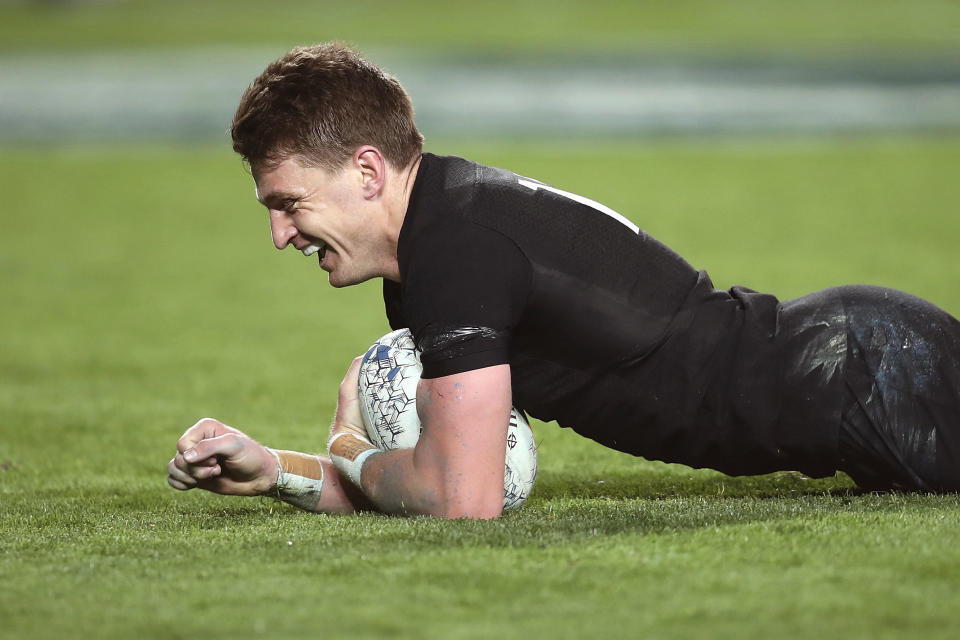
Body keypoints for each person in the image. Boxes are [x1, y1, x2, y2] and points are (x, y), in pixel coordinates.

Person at [166, 43, 960, 519]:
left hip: (867, 377)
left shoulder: (455, 249)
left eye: (287, 203)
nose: (279, 235)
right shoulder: (439, 236)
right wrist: (276, 469)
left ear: (367, 171)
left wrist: (343, 445)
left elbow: (459, 500)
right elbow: (433, 479)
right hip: (853, 371)